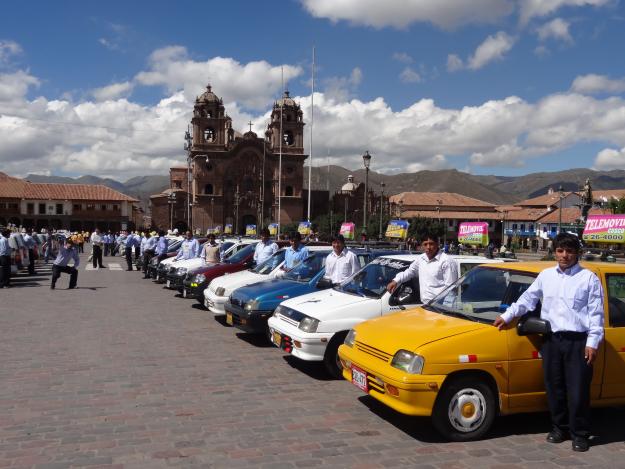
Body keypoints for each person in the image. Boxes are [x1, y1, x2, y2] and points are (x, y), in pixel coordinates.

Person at [493, 233, 603, 452]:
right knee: (554, 387)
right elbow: (527, 299)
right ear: (555, 252)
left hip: (577, 342)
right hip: (552, 341)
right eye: (561, 251)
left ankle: (580, 434)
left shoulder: (588, 278)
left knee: (578, 390)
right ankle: (559, 428)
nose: (565, 255)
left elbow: (596, 314)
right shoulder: (546, 276)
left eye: (569, 251)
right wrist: (508, 316)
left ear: (577, 253)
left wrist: (592, 342)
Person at [386, 232, 459, 304]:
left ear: (437, 244)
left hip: (440, 306)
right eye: (425, 244)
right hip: (425, 304)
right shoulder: (421, 258)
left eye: (431, 244)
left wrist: (446, 309)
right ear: (422, 246)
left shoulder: (447, 261)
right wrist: (396, 281)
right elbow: (410, 272)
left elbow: (451, 288)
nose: (428, 247)